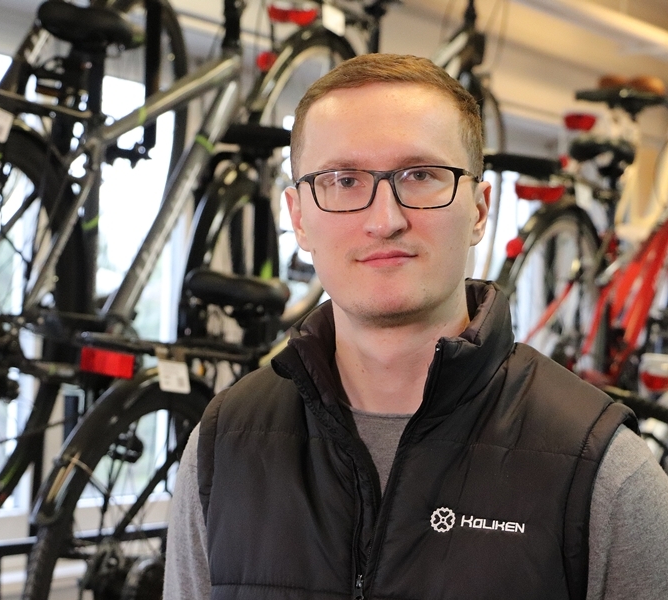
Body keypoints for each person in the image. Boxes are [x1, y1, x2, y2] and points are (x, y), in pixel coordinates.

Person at [163, 53, 668, 599]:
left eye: (421, 175)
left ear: (479, 210)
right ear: (299, 218)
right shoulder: (220, 448)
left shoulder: (603, 472)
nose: (385, 220)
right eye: (343, 180)